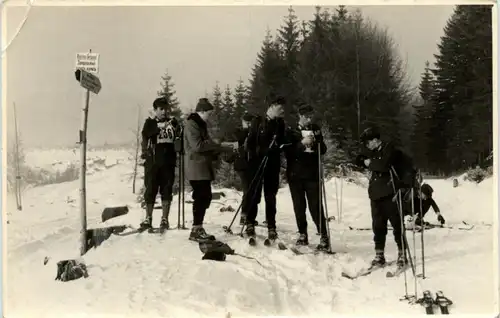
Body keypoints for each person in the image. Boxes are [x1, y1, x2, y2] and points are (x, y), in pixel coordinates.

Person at [356, 126, 409, 268]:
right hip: (376, 194)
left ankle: (402, 253)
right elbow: (358, 159)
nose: (367, 146)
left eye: (368, 142)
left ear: (375, 140)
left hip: (391, 193)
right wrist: (363, 160)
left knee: (397, 225)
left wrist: (369, 163)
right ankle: (379, 255)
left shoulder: (389, 149)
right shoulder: (372, 151)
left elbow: (383, 165)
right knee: (378, 226)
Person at [183, 98, 235, 242]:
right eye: (209, 113)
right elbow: (198, 146)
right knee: (202, 197)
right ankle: (196, 229)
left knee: (204, 197)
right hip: (196, 167)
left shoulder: (200, 124)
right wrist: (216, 144)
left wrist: (222, 147)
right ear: (202, 111)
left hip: (201, 167)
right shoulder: (192, 124)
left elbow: (207, 145)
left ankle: (197, 227)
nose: (210, 116)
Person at [284, 103, 330, 251]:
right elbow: (288, 152)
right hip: (295, 174)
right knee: (299, 206)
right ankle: (302, 234)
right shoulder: (291, 131)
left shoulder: (315, 129)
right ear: (300, 116)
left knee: (316, 206)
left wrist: (317, 142)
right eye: (306, 116)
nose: (308, 119)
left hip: (312, 174)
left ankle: (324, 236)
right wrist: (302, 144)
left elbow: (323, 149)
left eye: (310, 116)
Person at [243, 96, 287, 240]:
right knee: (254, 195)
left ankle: (271, 226)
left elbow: (282, 142)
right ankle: (250, 222)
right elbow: (249, 144)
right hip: (256, 164)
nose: (283, 110)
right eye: (280, 108)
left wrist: (278, 148)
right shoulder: (258, 121)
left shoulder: (280, 123)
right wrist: (260, 151)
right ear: (272, 106)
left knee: (270, 196)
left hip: (272, 165)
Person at [139, 97, 180, 231]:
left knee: (167, 189)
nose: (164, 112)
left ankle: (164, 219)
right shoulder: (150, 123)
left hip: (168, 161)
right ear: (155, 110)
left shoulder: (173, 123)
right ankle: (148, 217)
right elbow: (145, 137)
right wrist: (144, 152)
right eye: (161, 109)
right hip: (153, 161)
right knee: (150, 188)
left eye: (166, 109)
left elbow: (178, 137)